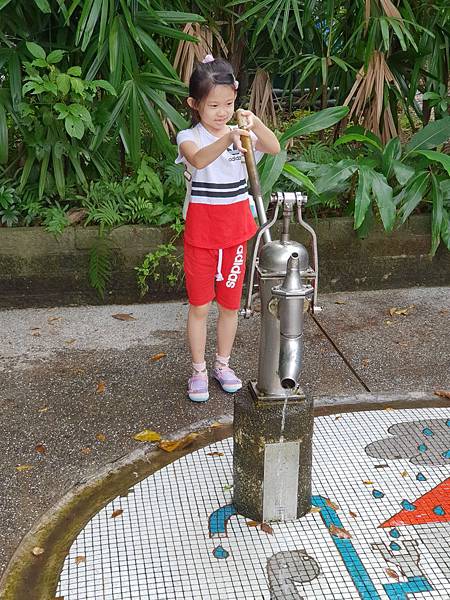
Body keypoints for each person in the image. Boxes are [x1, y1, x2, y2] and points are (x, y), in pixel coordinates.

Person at [176, 55, 280, 402]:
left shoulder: (243, 137)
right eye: (214, 105)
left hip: (236, 237)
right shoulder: (188, 136)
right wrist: (230, 137)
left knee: (230, 307)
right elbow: (199, 159)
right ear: (195, 104)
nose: (223, 112)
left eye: (230, 104)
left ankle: (222, 365)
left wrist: (255, 124)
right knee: (200, 307)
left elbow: (275, 147)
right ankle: (199, 371)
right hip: (201, 238)